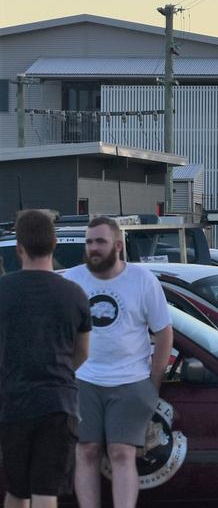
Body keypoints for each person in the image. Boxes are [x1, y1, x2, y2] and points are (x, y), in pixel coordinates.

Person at [64, 217, 173, 508]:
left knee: (122, 453)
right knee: (86, 451)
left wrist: (153, 384)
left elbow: (164, 333)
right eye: (89, 242)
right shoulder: (72, 280)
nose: (93, 248)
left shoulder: (142, 280)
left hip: (131, 382)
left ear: (118, 245)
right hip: (84, 381)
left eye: (100, 241)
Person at [0, 210, 92, 508]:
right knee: (45, 491)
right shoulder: (75, 294)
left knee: (17, 491)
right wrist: (62, 371)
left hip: (12, 403)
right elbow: (82, 351)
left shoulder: (3, 292)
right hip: (58, 403)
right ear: (54, 245)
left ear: (19, 248)